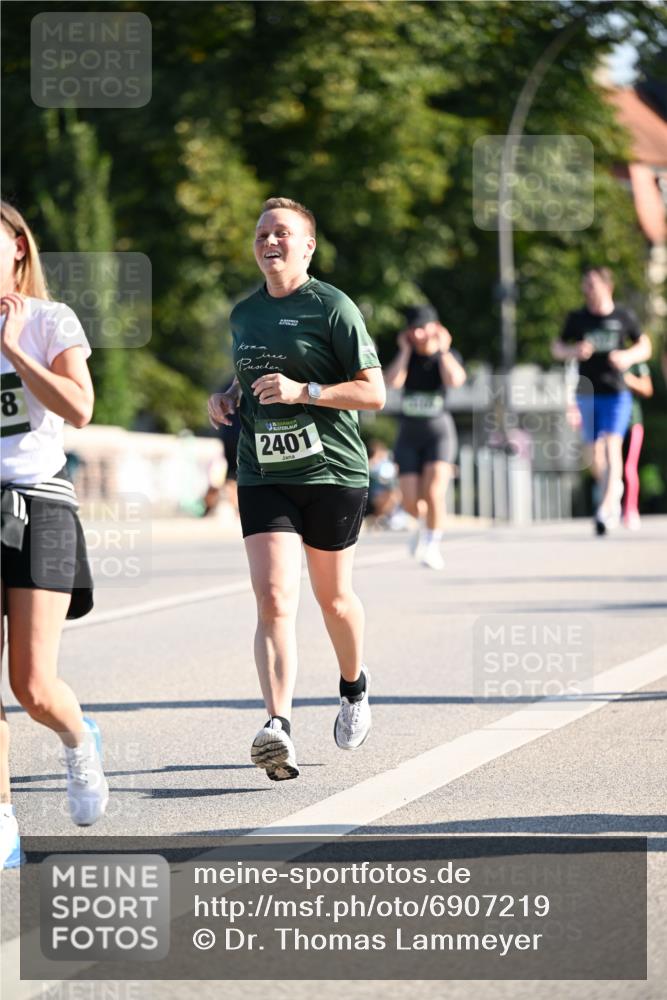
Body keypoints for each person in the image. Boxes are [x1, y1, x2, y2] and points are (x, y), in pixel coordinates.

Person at [207, 197, 385, 782]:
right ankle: (277, 725)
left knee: (333, 599)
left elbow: (373, 393)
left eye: (282, 232)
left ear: (307, 246)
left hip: (332, 471)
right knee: (275, 598)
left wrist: (304, 391)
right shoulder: (243, 314)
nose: (270, 241)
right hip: (263, 472)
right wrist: (229, 397)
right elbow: (250, 370)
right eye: (262, 233)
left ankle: (354, 687)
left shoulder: (333, 308)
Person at [0, 202, 108, 870]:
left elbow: (81, 407)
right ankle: (4, 818)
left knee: (33, 686)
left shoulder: (49, 321)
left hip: (41, 506)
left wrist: (13, 349)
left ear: (17, 248)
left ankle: (77, 742)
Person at [551, 266, 652, 535]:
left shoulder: (623, 316)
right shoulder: (578, 318)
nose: (587, 291)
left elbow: (645, 346)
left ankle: (605, 509)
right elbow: (557, 347)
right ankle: (612, 486)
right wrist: (574, 350)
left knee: (612, 447)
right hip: (587, 392)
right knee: (593, 453)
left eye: (592, 285)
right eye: (585, 286)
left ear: (607, 287)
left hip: (617, 393)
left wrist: (627, 357)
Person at [384, 305, 466, 569]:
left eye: (423, 327)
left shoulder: (447, 356)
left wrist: (442, 350)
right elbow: (393, 382)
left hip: (438, 432)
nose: (418, 333)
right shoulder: (405, 355)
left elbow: (456, 380)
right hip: (409, 433)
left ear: (435, 328)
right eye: (413, 329)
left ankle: (432, 545)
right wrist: (405, 351)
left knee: (433, 493)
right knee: (410, 502)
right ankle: (422, 526)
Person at [622, 362, 653, 530]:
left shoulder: (635, 362)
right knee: (610, 467)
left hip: (633, 423)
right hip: (611, 425)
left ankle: (630, 510)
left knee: (629, 468)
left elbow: (648, 388)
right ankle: (611, 508)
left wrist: (627, 380)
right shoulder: (603, 359)